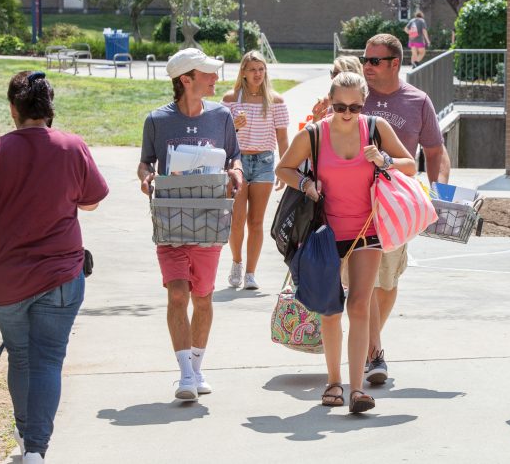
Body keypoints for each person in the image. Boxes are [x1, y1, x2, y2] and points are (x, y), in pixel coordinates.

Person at [276, 71, 415, 413]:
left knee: (358, 306)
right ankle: (333, 382)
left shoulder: (376, 128)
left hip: (367, 231)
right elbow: (283, 169)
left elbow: (410, 165)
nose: (348, 114)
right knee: (331, 310)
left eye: (354, 106)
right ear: (331, 104)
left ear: (363, 103)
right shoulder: (315, 135)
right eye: (340, 107)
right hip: (325, 234)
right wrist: (306, 184)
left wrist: (383, 160)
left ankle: (357, 389)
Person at [0, 71, 109, 463]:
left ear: (14, 109)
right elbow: (92, 201)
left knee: (21, 358)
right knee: (48, 361)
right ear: (49, 108)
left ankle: (26, 440)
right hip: (60, 277)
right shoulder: (71, 148)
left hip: (5, 280)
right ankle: (37, 451)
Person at [138, 48, 243, 401]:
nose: (215, 79)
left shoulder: (222, 116)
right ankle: (184, 375)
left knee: (202, 297)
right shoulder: (156, 120)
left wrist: (236, 172)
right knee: (178, 293)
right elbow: (145, 163)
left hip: (210, 220)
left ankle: (197, 367)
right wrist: (146, 177)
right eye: (208, 73)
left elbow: (235, 156)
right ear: (186, 79)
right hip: (171, 220)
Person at [359, 33, 447, 384]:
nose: (367, 66)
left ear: (395, 63)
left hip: (394, 205)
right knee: (361, 283)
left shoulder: (417, 100)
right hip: (353, 203)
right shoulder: (355, 97)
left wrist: (436, 190)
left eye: (374, 60)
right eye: (365, 59)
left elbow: (435, 150)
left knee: (388, 282)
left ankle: (366, 344)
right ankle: (370, 351)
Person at [222, 51, 289, 290]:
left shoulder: (275, 100)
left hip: (264, 163)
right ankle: (237, 263)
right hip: (237, 163)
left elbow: (282, 137)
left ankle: (251, 273)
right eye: (252, 69)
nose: (257, 74)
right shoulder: (231, 99)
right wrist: (234, 128)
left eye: (261, 69)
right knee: (237, 220)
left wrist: (285, 167)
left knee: (256, 221)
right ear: (243, 72)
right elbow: (223, 138)